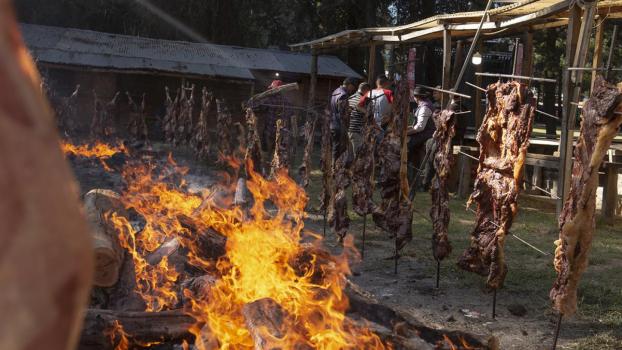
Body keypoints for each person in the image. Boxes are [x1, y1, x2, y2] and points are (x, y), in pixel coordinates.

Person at [407, 86, 436, 189]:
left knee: (405, 148)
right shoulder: (423, 105)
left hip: (425, 134)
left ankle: (408, 178)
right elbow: (416, 125)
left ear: (416, 97)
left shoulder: (425, 107)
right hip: (422, 132)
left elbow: (420, 127)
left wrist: (406, 133)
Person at [330, 77, 358, 161]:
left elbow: (337, 108)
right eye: (353, 87)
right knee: (339, 150)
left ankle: (333, 168)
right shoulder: (343, 95)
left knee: (335, 148)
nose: (353, 89)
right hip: (339, 125)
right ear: (349, 85)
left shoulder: (336, 91)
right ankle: (335, 170)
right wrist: (349, 112)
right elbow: (343, 114)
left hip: (333, 123)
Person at [347, 82, 371, 157]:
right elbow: (359, 108)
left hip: (349, 129)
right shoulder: (361, 99)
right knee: (358, 155)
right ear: (365, 90)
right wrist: (368, 112)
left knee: (350, 155)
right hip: (356, 131)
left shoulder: (351, 97)